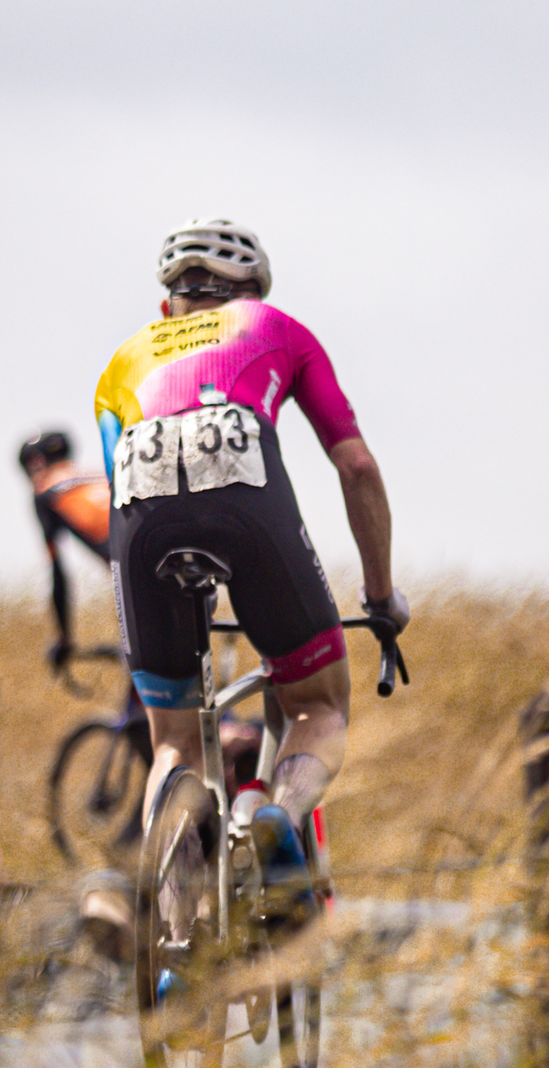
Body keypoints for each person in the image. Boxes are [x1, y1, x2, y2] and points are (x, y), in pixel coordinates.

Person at [93, 217, 405, 911]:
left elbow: (129, 491)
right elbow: (354, 463)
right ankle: (274, 813)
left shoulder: (122, 361)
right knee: (318, 705)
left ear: (166, 305)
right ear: (250, 291)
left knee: (173, 741)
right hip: (246, 500)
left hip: (142, 530)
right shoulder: (273, 326)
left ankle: (173, 934)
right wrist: (380, 596)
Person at [16, 428, 117, 677]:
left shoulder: (44, 494)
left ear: (35, 464)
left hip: (130, 569)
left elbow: (58, 572)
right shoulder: (101, 477)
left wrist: (64, 640)